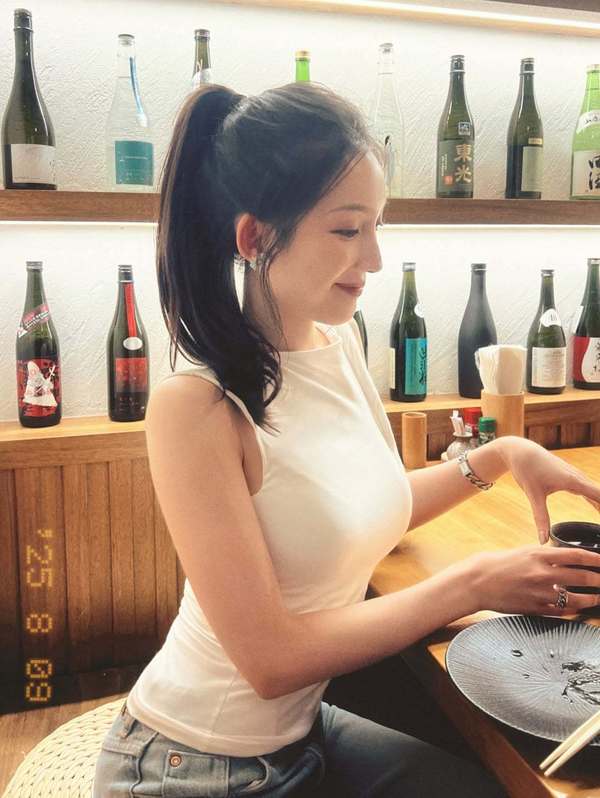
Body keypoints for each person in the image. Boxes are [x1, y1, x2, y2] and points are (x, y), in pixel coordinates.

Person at [92, 81, 600, 797]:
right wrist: (474, 582)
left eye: (377, 225)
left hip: (303, 734)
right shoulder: (197, 407)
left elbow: (365, 507)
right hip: (195, 764)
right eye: (346, 230)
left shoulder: (340, 342)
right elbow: (270, 660)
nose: (375, 258)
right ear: (255, 237)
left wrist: (501, 456)